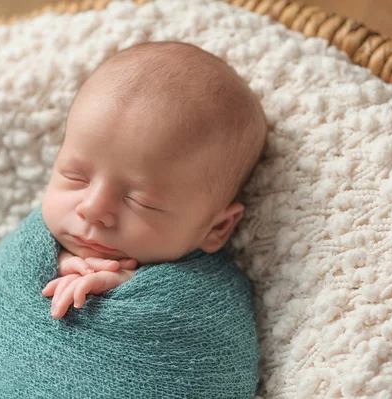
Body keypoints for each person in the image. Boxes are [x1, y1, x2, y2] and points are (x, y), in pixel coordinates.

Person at [41, 41, 267, 318]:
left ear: (217, 228)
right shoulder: (40, 240)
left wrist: (133, 291)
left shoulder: (210, 292)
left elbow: (216, 336)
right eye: (76, 178)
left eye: (141, 202)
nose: (92, 209)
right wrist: (52, 263)